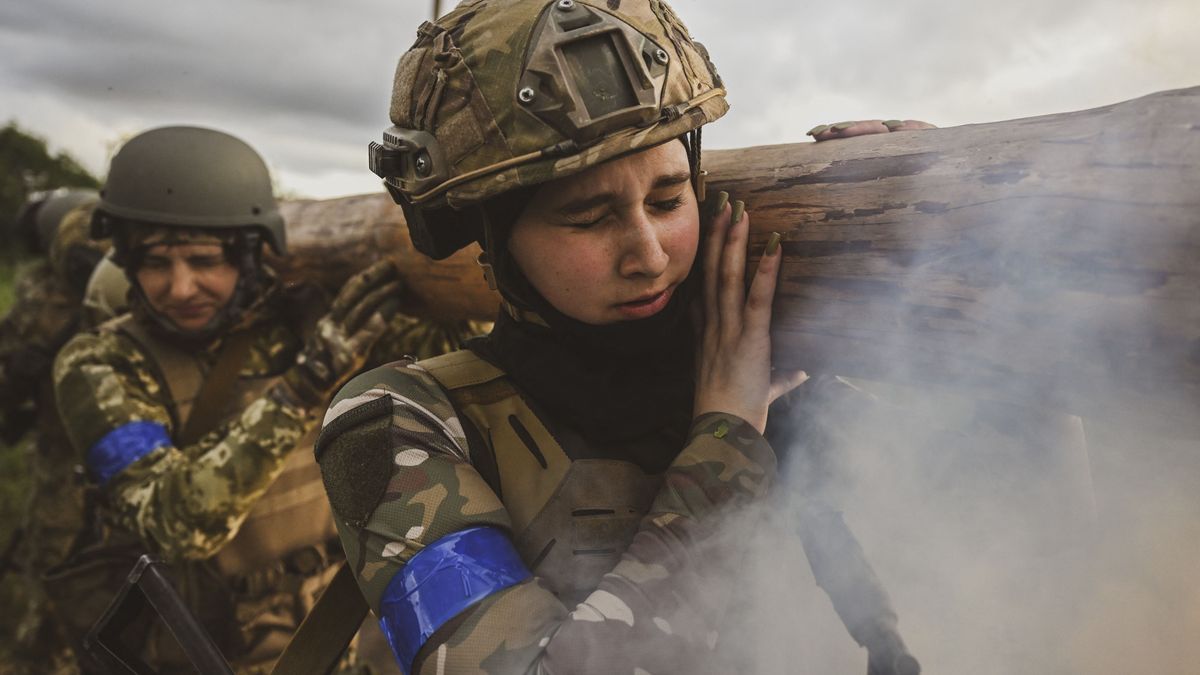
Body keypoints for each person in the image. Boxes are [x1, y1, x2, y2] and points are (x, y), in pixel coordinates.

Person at [315, 2, 920, 673]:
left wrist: (943, 222)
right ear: (497, 237)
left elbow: (1005, 480)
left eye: (668, 200)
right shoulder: (398, 422)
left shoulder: (766, 363)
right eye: (587, 217)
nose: (649, 254)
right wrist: (725, 440)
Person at [49, 125, 473, 673]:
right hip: (190, 650)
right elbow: (177, 523)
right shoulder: (99, 362)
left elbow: (456, 362)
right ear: (127, 263)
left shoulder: (304, 322)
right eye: (156, 263)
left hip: (323, 637)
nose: (180, 288)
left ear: (251, 257)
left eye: (204, 262)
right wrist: (305, 382)